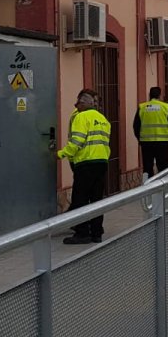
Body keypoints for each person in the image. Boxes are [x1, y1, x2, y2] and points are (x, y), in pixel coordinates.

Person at [57, 91, 112, 244]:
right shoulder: (103, 119)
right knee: (96, 199)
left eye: (78, 104)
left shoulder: (81, 117)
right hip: (101, 162)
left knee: (80, 198)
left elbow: (77, 141)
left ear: (83, 104)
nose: (76, 107)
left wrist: (61, 154)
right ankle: (96, 233)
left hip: (86, 163)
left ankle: (82, 233)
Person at [133, 86, 168, 178]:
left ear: (149, 95)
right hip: (162, 143)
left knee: (147, 168)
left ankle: (149, 188)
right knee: (163, 167)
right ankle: (163, 188)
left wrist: (140, 139)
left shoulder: (142, 107)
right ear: (160, 95)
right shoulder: (165, 107)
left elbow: (136, 126)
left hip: (146, 143)